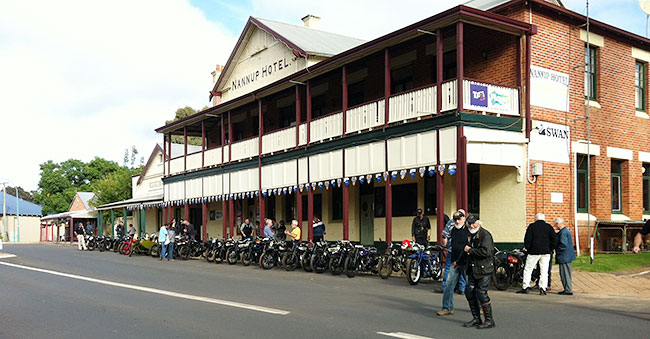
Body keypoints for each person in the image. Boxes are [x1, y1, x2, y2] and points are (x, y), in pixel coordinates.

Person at [458, 216, 495, 329]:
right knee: (469, 291)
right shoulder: (470, 235)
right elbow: (465, 250)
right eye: (469, 223)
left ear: (478, 223)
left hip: (485, 269)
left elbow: (486, 252)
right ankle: (476, 318)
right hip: (473, 269)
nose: (471, 225)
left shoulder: (485, 235)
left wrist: (470, 250)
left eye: (473, 223)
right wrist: (458, 262)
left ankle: (489, 320)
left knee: (481, 292)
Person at [437, 210, 470, 316]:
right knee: (448, 285)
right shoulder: (453, 230)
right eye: (455, 219)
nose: (457, 221)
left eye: (459, 219)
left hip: (466, 262)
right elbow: (449, 241)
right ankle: (447, 307)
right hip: (454, 262)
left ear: (464, 218)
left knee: (471, 286)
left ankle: (479, 307)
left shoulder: (469, 230)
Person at [517, 213, 557, 295]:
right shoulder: (549, 227)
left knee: (528, 269)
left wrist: (528, 248)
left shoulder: (532, 226)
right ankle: (543, 288)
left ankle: (526, 286)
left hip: (533, 252)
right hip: (546, 252)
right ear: (544, 219)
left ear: (536, 219)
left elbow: (527, 239)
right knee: (544, 271)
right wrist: (551, 248)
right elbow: (554, 239)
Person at [553, 218, 575, 295]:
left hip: (564, 256)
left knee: (565, 274)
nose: (555, 226)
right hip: (568, 256)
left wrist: (557, 249)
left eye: (555, 224)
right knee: (566, 273)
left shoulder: (563, 233)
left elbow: (563, 244)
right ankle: (567, 288)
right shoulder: (566, 231)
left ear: (558, 223)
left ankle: (568, 289)